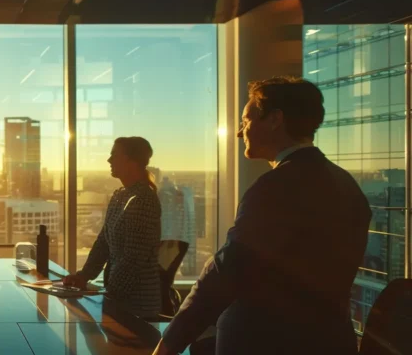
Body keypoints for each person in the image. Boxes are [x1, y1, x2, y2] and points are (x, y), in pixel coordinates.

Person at [154, 77, 371, 355]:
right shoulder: (346, 184)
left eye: (246, 120)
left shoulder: (277, 186)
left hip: (267, 344)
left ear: (275, 119)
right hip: (330, 341)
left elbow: (228, 270)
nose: (239, 132)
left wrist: (168, 345)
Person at [63, 136, 162, 318]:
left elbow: (133, 259)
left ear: (130, 161)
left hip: (136, 305)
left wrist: (108, 296)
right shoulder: (120, 196)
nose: (109, 160)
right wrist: (84, 276)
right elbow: (104, 242)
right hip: (117, 298)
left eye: (114, 155)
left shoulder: (143, 200)